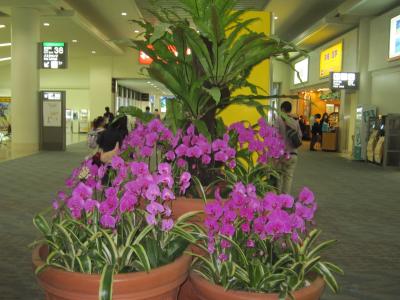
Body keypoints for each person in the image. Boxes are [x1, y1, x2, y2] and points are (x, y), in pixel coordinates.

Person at [276, 101, 302, 194]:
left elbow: (275, 135)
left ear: (282, 109)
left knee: (277, 177)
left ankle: (277, 201)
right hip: (293, 154)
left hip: (281, 155)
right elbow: (300, 136)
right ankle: (285, 200)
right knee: (288, 178)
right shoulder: (295, 121)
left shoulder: (278, 120)